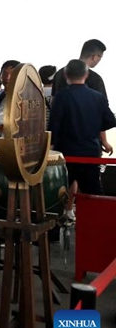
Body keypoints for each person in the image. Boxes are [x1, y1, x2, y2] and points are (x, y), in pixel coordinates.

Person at [50, 59, 116, 219]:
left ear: (65, 74)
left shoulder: (61, 97)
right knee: (94, 193)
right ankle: (100, 226)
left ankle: (51, 233)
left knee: (57, 194)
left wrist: (50, 149)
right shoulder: (98, 97)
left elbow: (53, 127)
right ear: (86, 75)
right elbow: (109, 120)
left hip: (66, 153)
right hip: (90, 154)